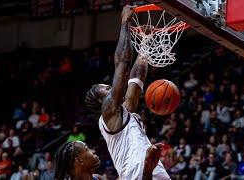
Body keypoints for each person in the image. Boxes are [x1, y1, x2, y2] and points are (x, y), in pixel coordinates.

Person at [85, 5, 170, 179]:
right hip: (136, 174)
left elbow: (136, 81)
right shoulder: (107, 114)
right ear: (102, 102)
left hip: (152, 172)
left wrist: (145, 43)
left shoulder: (123, 114)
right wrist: (125, 22)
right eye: (106, 89)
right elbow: (122, 65)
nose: (110, 87)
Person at [54, 140, 163, 180]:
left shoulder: (97, 178)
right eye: (87, 149)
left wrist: (147, 170)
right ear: (80, 161)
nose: (93, 151)